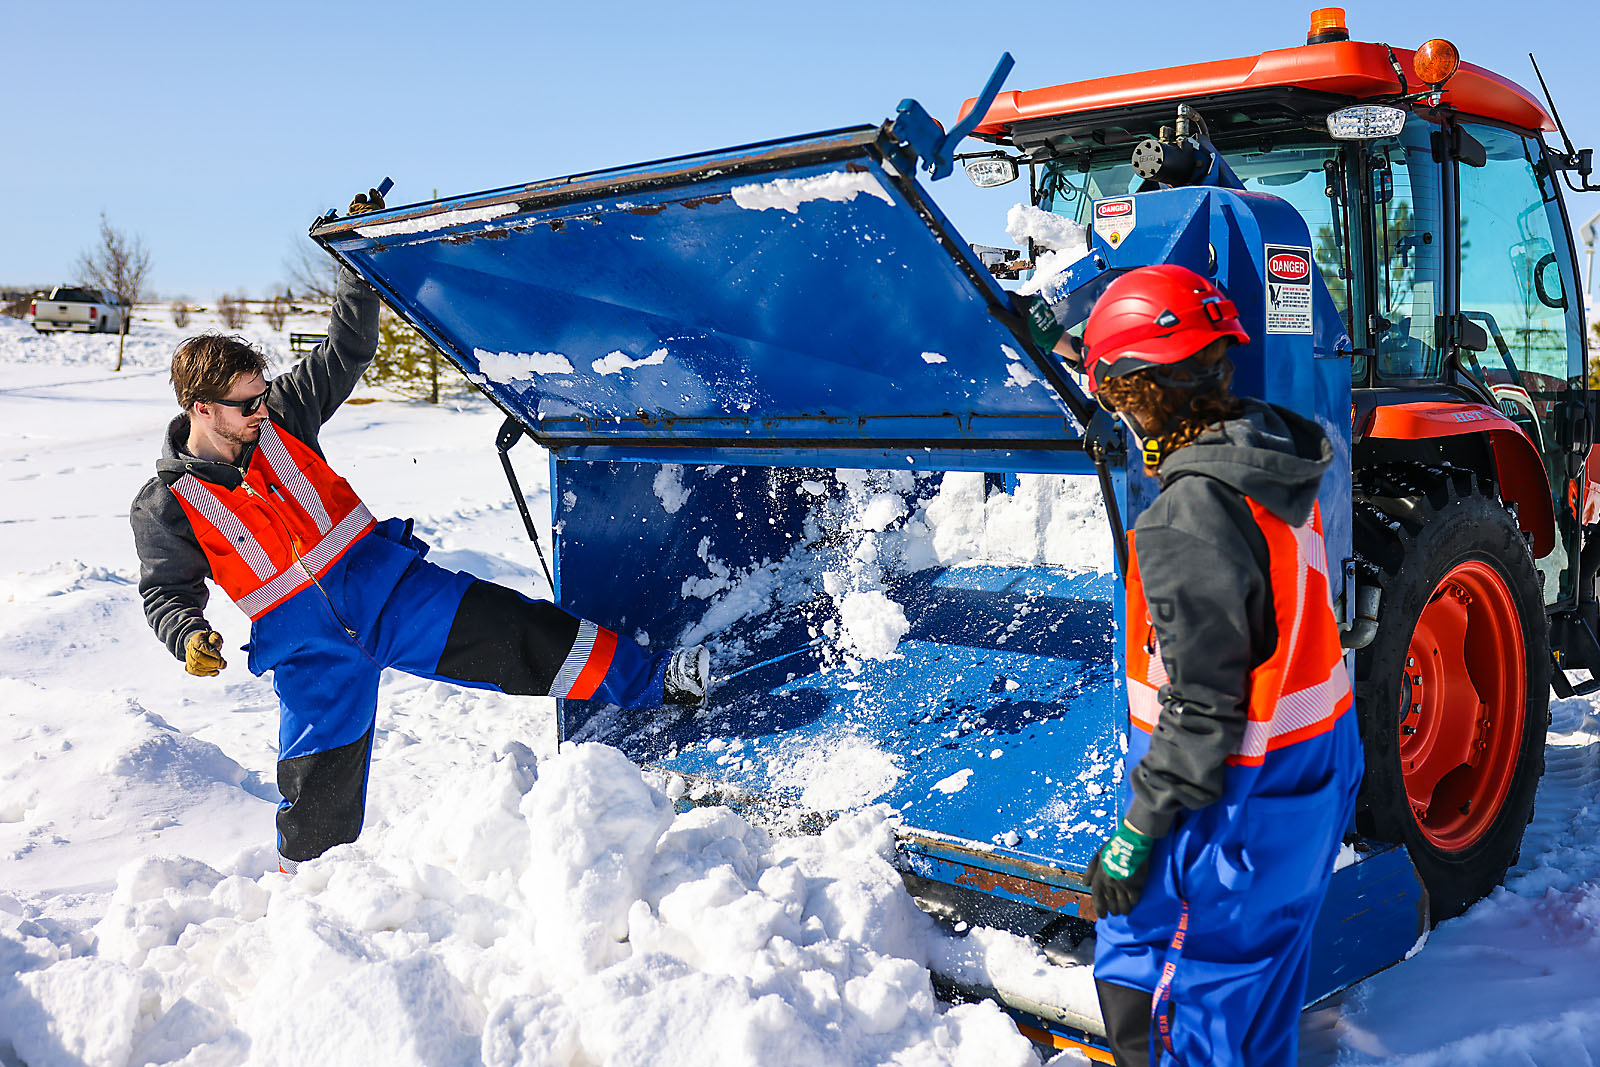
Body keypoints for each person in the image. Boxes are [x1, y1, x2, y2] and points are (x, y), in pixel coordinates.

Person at [131, 189, 709, 874]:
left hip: (391, 592)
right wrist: (188, 635)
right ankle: (305, 900)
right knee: (317, 805)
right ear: (202, 409)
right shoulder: (166, 503)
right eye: (245, 403)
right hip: (311, 651)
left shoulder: (285, 415)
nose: (262, 407)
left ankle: (657, 680)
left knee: (527, 633)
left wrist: (356, 262)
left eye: (262, 394)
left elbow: (347, 348)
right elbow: (166, 590)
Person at [1072, 265, 1361, 1066]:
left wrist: (1137, 833)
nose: (1111, 411)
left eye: (1113, 392)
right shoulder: (1263, 457)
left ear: (1143, 390)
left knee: (1164, 1001)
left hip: (1228, 811)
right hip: (1308, 779)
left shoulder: (1187, 517)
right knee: (1254, 1009)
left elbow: (1201, 704)